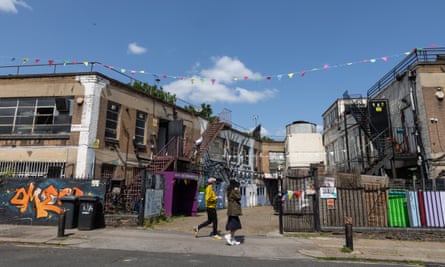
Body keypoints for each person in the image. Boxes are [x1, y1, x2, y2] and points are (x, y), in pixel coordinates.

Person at [224, 179, 242, 246]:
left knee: (234, 225)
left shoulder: (230, 190)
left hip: (232, 210)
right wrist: (236, 190)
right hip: (233, 210)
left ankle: (232, 239)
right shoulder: (233, 191)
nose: (237, 187)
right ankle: (229, 236)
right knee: (235, 225)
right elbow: (239, 197)